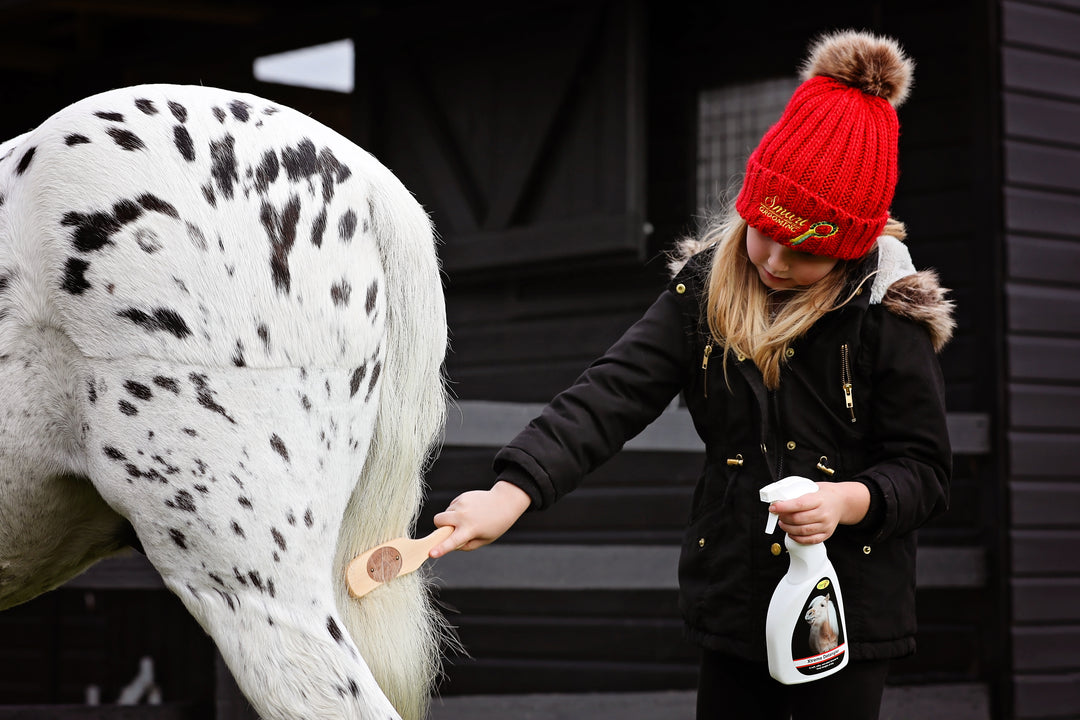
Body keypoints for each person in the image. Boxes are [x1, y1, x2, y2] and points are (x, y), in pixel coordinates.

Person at [430, 29, 955, 720]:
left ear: (851, 248)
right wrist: (510, 492)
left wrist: (847, 502)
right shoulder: (706, 292)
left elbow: (925, 471)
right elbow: (609, 394)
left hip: (847, 612)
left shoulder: (887, 318)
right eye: (766, 228)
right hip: (734, 604)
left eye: (805, 251)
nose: (773, 259)